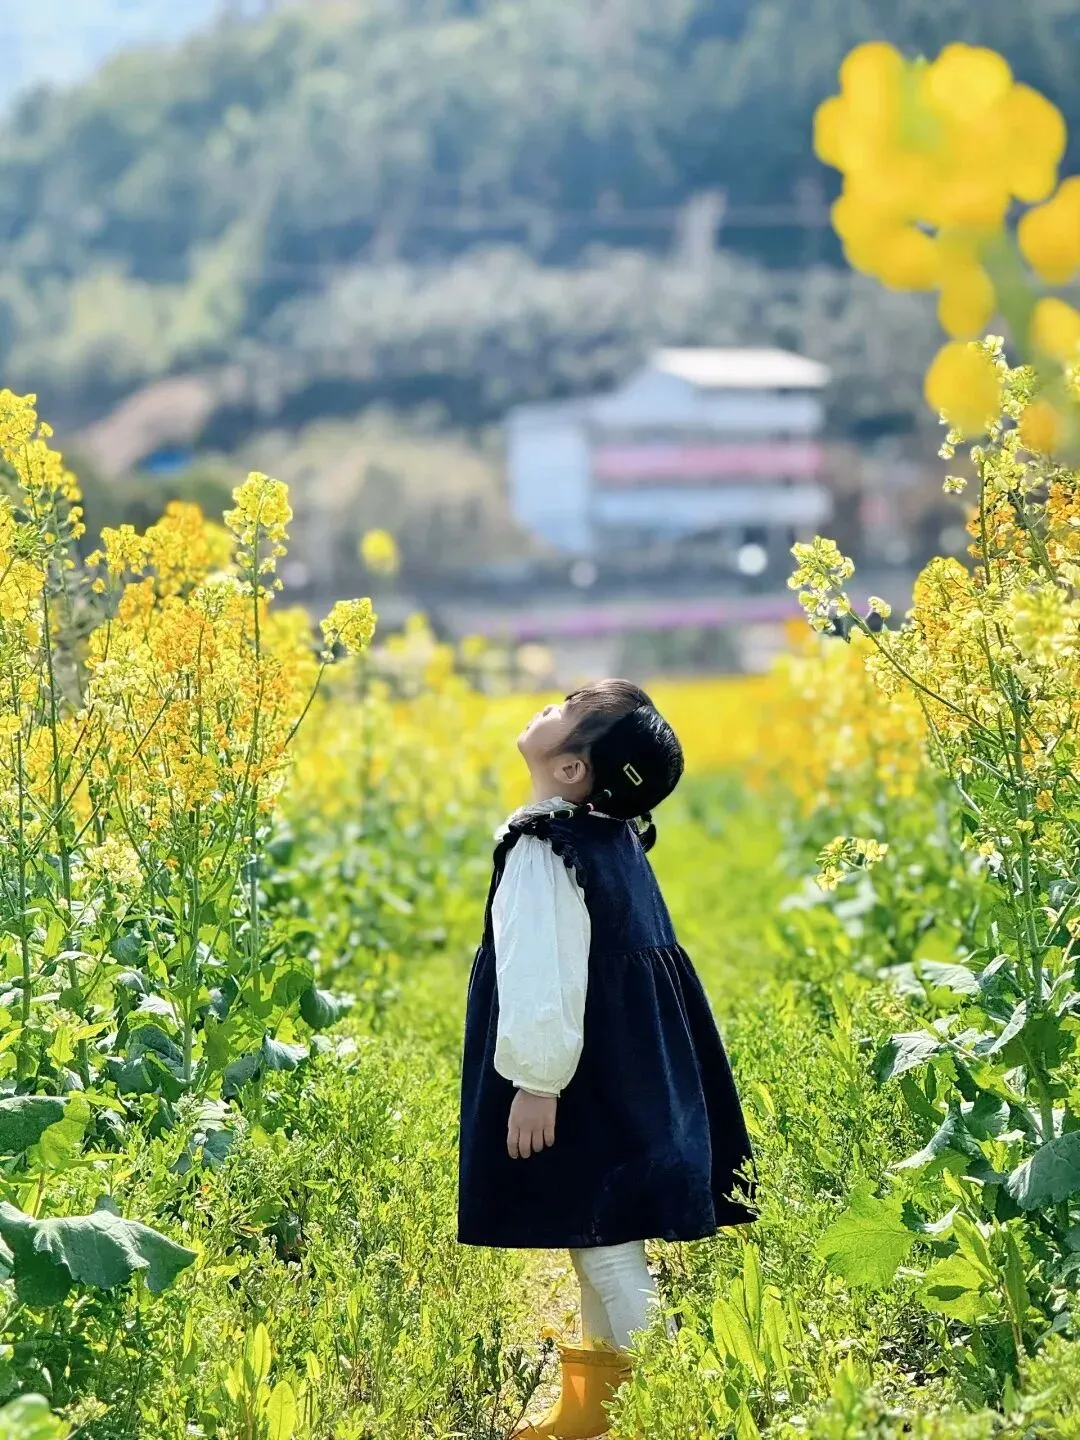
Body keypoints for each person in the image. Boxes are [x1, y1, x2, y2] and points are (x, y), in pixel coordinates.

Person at [458, 679, 757, 1440]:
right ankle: (596, 1407)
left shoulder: (545, 849)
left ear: (571, 770)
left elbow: (542, 975)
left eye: (565, 709)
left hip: (579, 1076)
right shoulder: (611, 836)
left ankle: (664, 1407)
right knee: (594, 1234)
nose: (548, 706)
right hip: (627, 1067)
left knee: (607, 1247)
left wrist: (536, 1082)